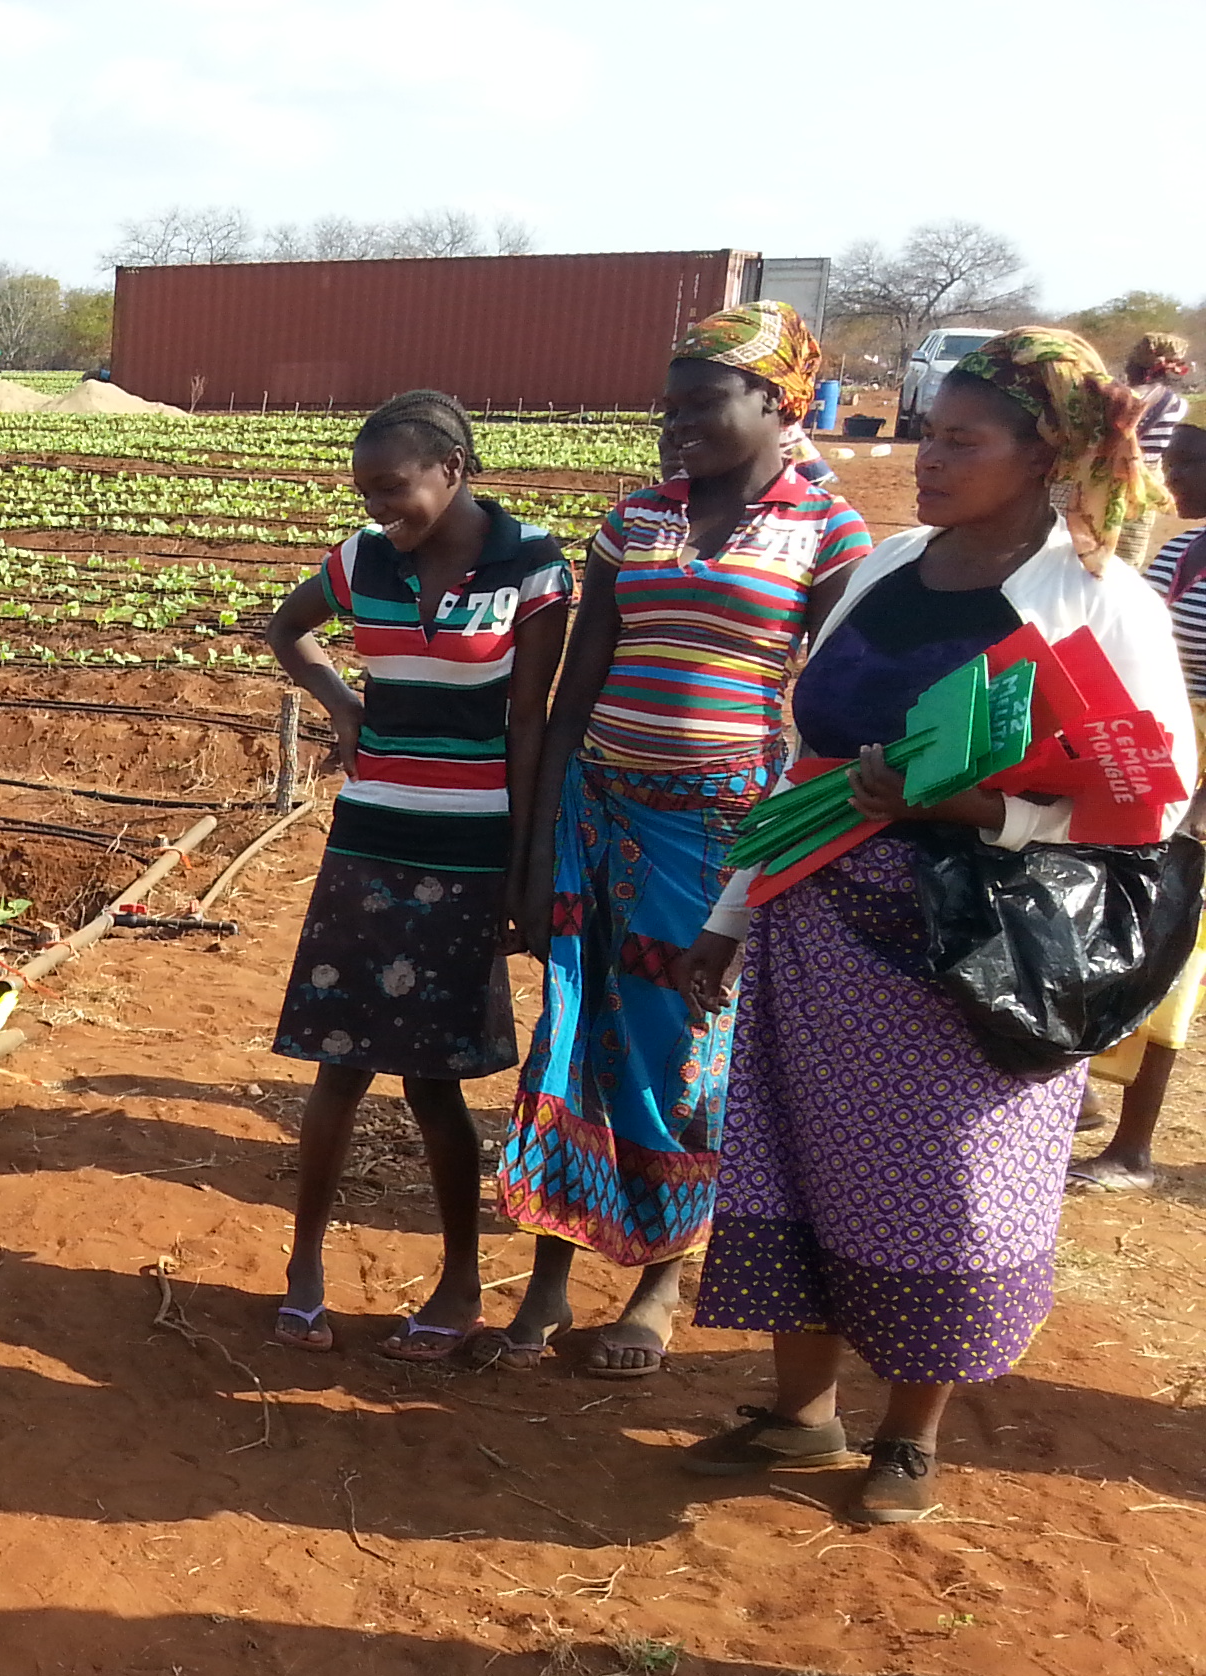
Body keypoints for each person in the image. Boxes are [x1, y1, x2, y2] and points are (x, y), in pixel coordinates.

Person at [678, 328, 1194, 1524]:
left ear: (1045, 454)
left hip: (975, 950)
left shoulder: (1099, 599)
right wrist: (731, 912)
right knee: (793, 1167)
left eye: (965, 441)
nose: (929, 458)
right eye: (932, 432)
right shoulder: (890, 565)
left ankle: (909, 1436)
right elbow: (812, 761)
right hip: (815, 926)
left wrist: (975, 808)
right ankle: (801, 1415)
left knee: (949, 1188)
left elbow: (1147, 805)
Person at [486, 304, 874, 1377]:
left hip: (719, 834)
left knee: (683, 1052)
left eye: (701, 402)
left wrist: (781, 862)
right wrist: (534, 850)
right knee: (568, 1035)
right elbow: (574, 697)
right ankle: (554, 1276)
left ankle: (660, 1279)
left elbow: (839, 714)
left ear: (776, 403)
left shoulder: (830, 536)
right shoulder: (635, 521)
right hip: (598, 815)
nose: (676, 425)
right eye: (671, 405)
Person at [261, 392, 573, 1360]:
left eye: (393, 488)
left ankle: (460, 1282)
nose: (379, 507)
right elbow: (288, 630)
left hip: (469, 850)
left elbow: (529, 726)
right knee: (339, 1066)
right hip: (369, 840)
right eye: (365, 491)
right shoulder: (362, 560)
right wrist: (346, 709)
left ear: (453, 467)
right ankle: (303, 1267)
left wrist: (524, 868)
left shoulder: (534, 568)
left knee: (437, 1083)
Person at [1072, 417, 1206, 1189]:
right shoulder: (1185, 550)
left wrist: (1192, 814)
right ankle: (1081, 1092)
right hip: (1157, 755)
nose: (1169, 480)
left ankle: (1136, 1147)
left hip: (1199, 791)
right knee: (1115, 928)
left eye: (1188, 464)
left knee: (1175, 954)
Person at [1115, 333, 1192, 567]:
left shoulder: (1112, 394)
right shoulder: (1176, 404)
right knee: (1125, 562)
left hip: (1096, 478)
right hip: (1140, 488)